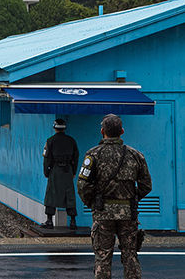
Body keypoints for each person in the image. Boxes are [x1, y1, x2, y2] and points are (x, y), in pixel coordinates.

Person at [77, 114, 152, 279]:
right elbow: (147, 185)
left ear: (102, 131)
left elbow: (82, 185)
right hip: (128, 213)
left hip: (103, 212)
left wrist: (93, 202)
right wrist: (133, 197)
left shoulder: (93, 154)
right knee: (130, 255)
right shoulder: (135, 155)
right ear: (122, 131)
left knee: (103, 256)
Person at [41, 118, 80, 229]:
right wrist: (73, 171)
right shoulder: (71, 140)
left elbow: (47, 158)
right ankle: (73, 221)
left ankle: (49, 221)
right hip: (68, 170)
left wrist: (46, 171)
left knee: (51, 195)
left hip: (55, 170)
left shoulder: (50, 141)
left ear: (54, 127)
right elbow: (76, 157)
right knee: (69, 195)